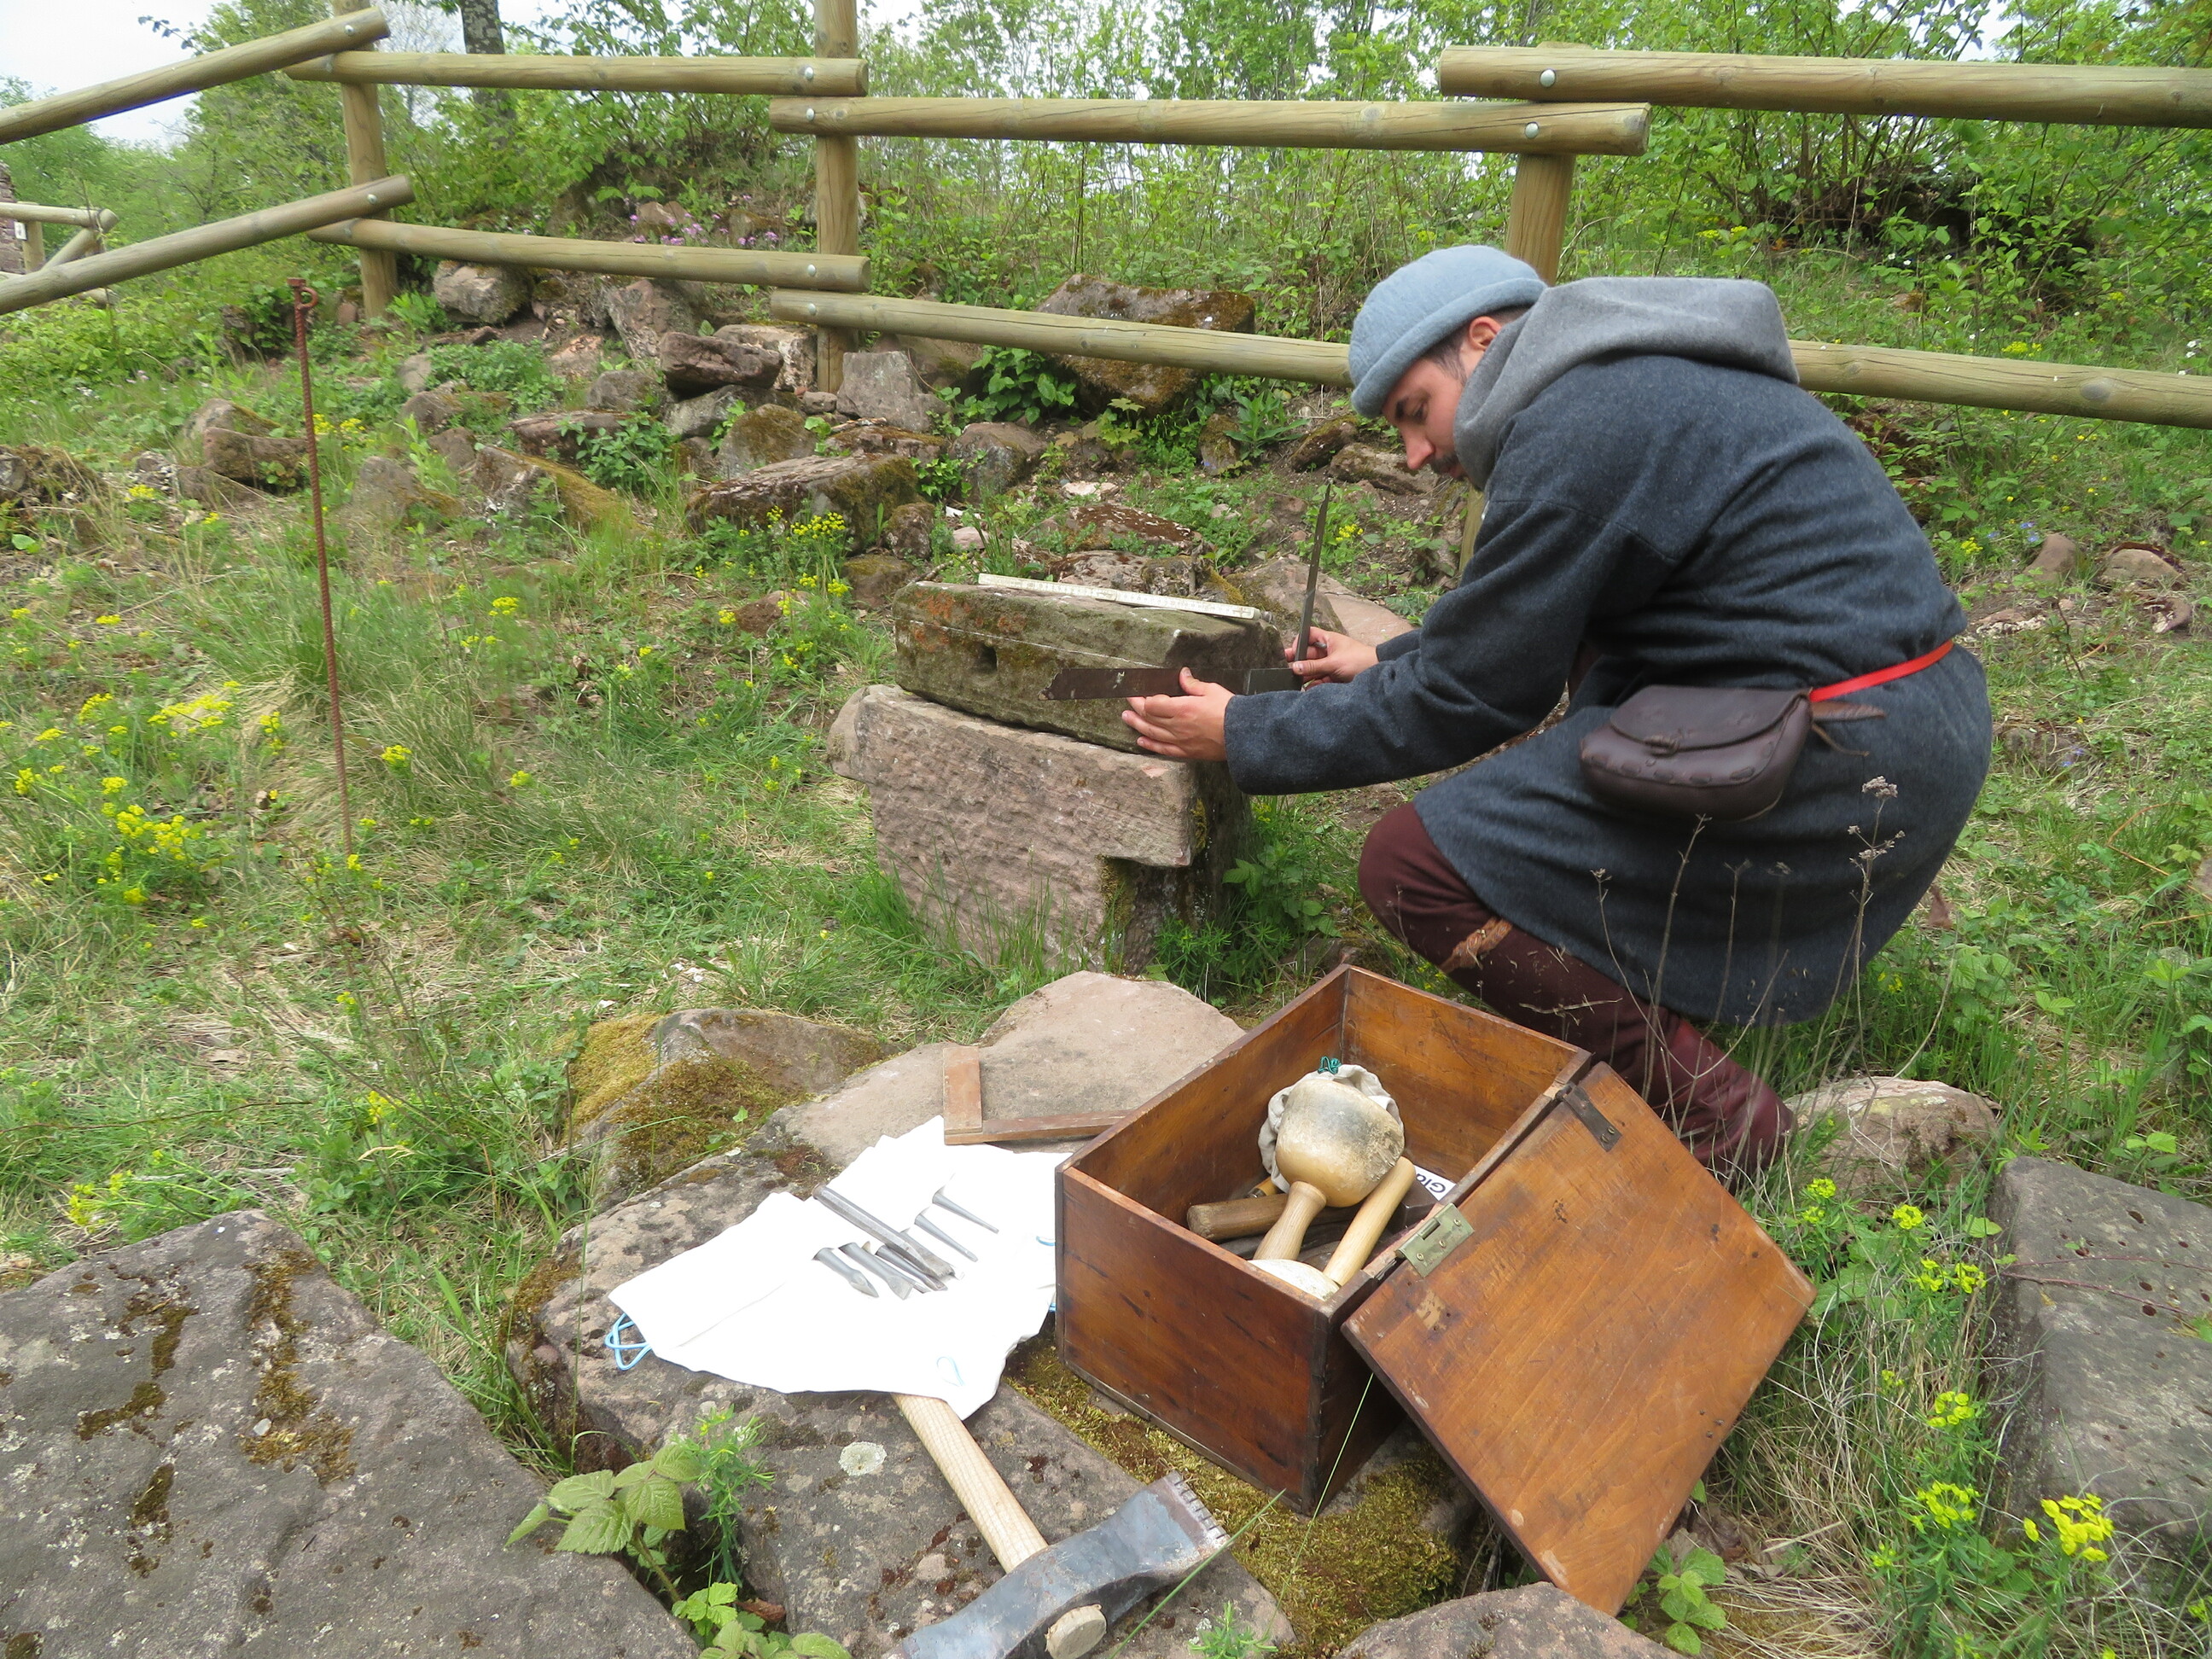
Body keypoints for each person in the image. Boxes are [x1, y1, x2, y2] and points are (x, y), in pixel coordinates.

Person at [1121, 244, 1992, 1181]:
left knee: (1412, 867)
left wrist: (1244, 732)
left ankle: (1719, 1118)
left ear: (1481, 340)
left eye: (1414, 411)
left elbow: (1477, 693)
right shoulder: (1626, 382)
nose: (1417, 454)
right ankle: (1661, 995)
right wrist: (1389, 658)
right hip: (1899, 715)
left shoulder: (1582, 421)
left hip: (1843, 744)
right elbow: (1532, 615)